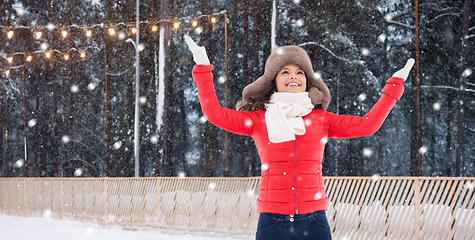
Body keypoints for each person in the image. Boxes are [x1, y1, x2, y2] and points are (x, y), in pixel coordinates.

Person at [185, 35, 414, 240]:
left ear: (307, 80)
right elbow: (214, 114)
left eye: (299, 72)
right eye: (285, 72)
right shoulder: (258, 120)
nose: (293, 76)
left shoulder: (321, 119)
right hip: (272, 220)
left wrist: (394, 86)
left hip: (314, 220)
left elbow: (368, 125)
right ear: (274, 81)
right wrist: (203, 69)